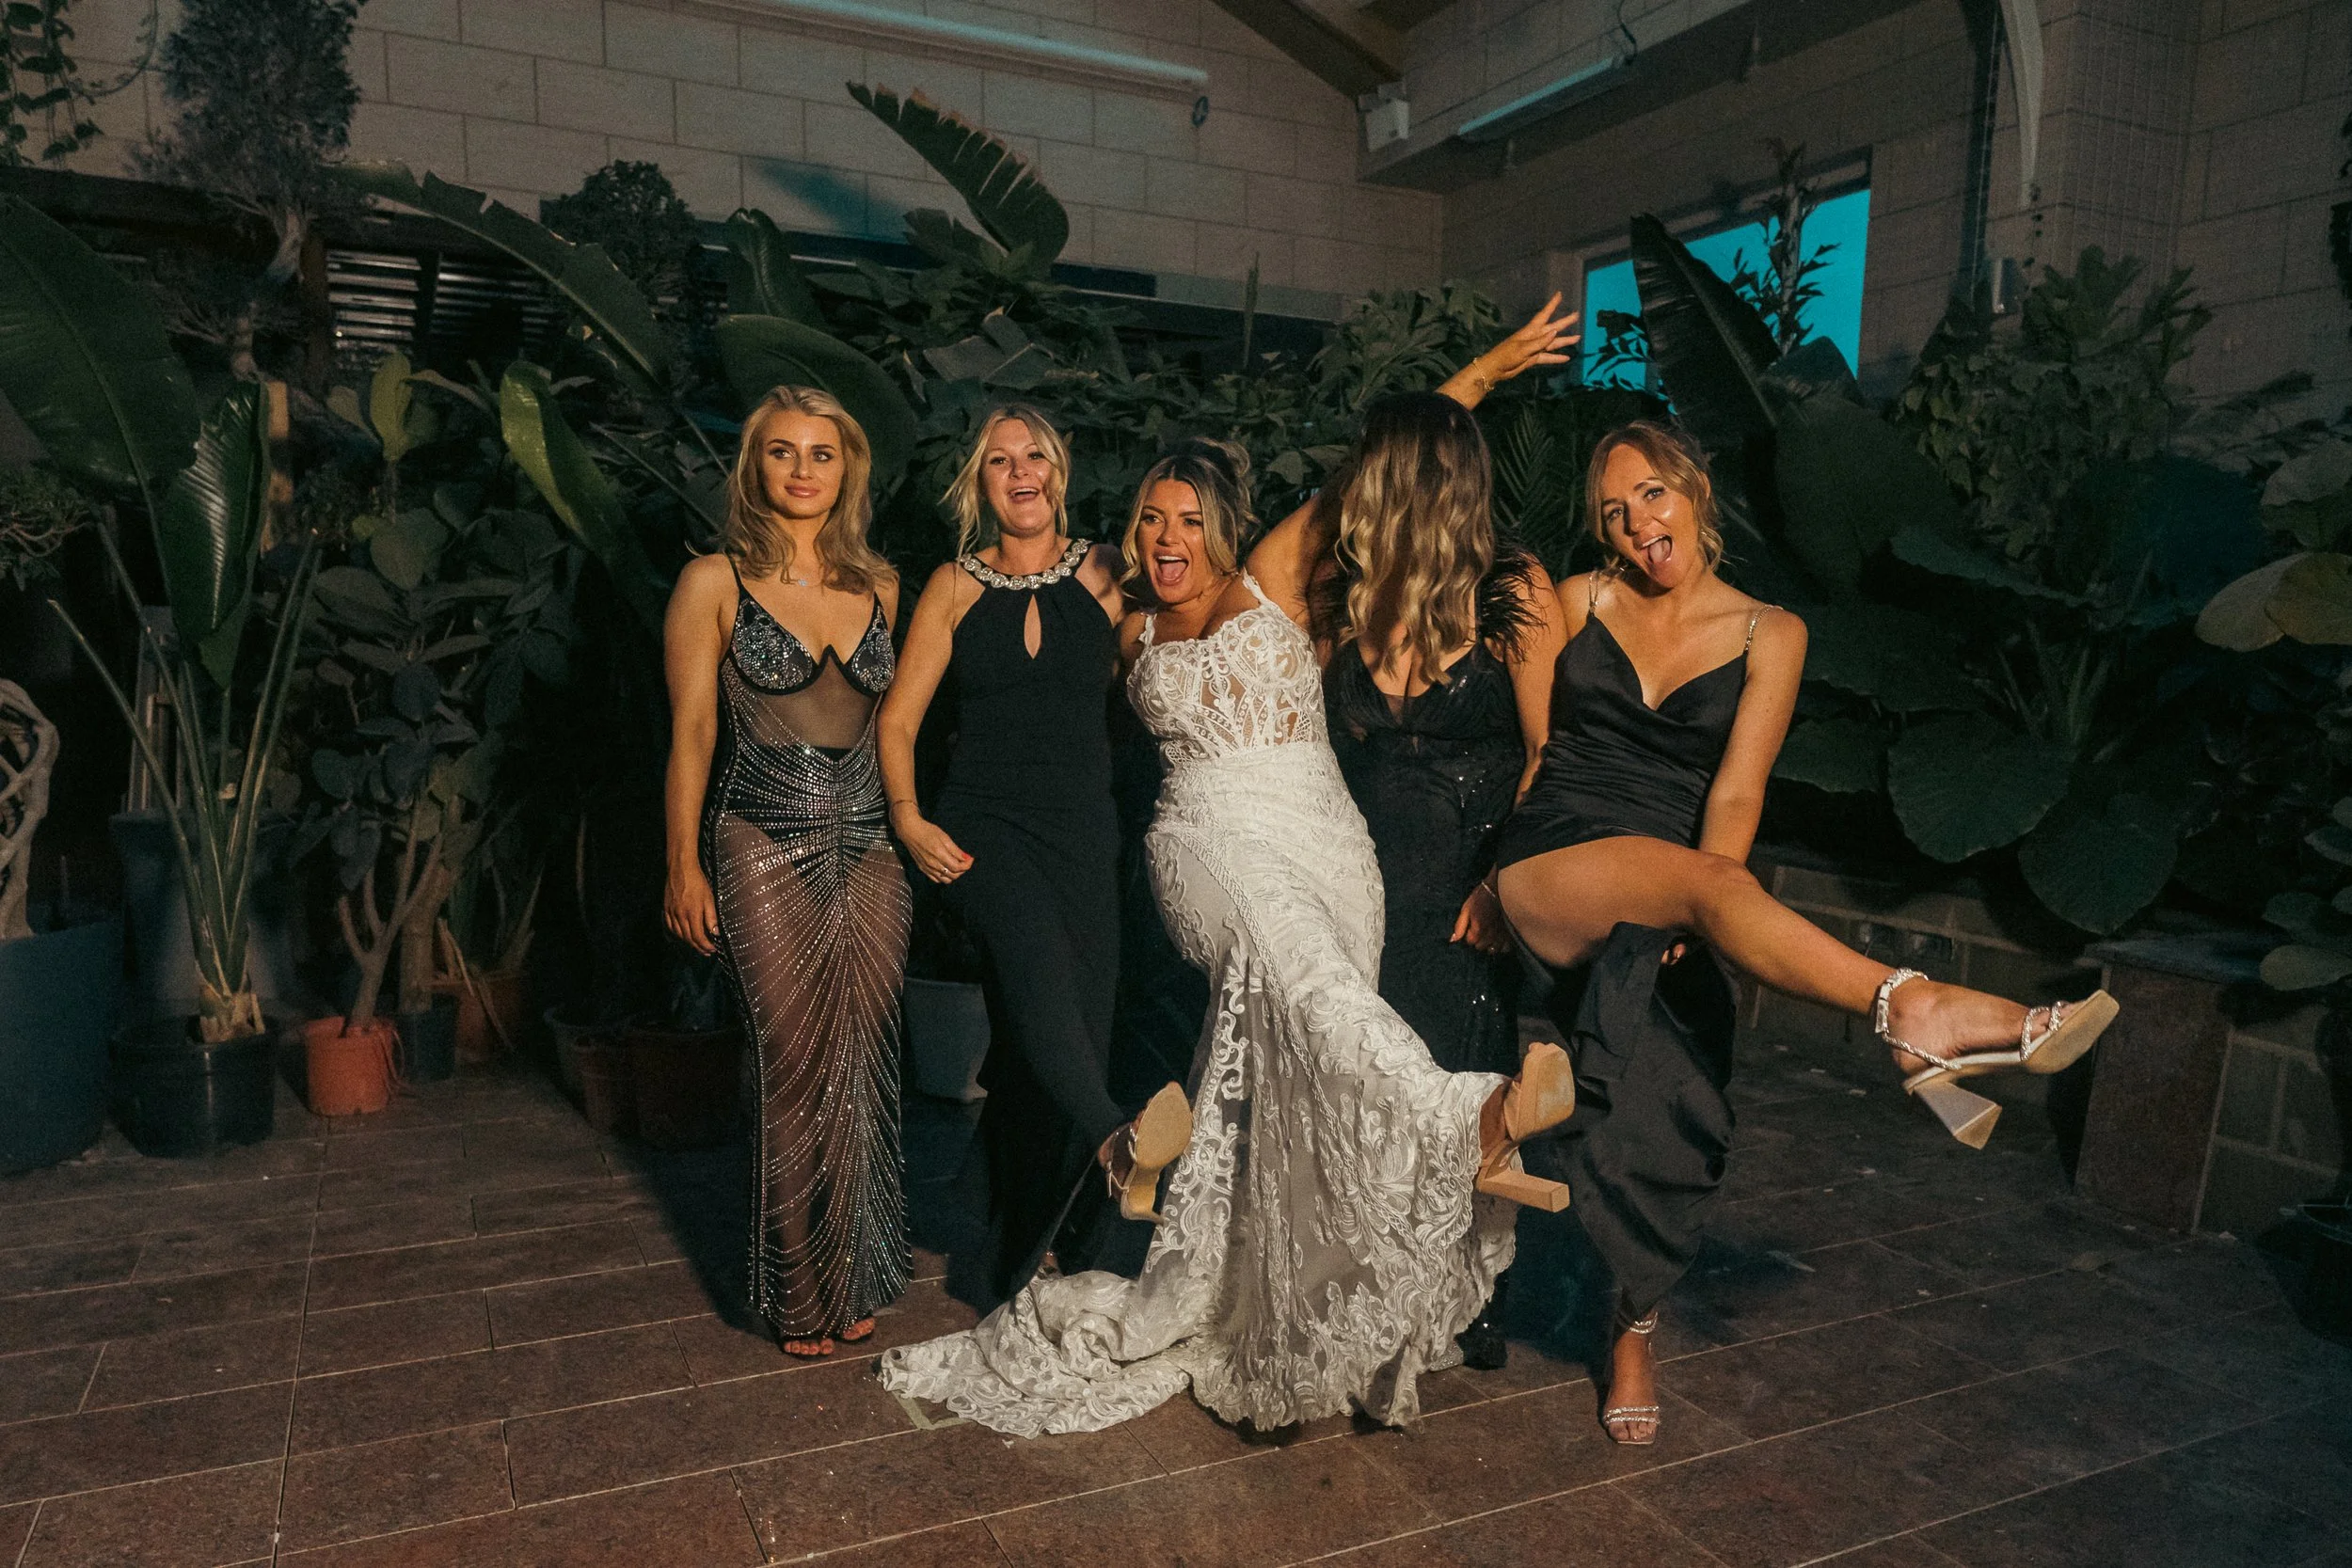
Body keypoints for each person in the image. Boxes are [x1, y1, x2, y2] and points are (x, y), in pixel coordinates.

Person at [879, 437, 1580, 1437]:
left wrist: (1480, 389)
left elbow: (1369, 487)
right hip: (1204, 840)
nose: (1168, 537)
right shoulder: (1120, 618)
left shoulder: (1276, 582)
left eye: (1189, 519)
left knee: (1304, 1043)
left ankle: (1283, 1311)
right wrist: (955, 810)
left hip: (1325, 835)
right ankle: (1465, 1116)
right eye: (1152, 520)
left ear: (1224, 526)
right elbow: (1039, 711)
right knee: (1298, 973)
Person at [1490, 418, 2120, 1444]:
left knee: (1669, 1116)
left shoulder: (1769, 633)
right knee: (1675, 920)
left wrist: (1709, 899)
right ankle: (1915, 1006)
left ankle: (1630, 1326)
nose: (1638, 521)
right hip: (1556, 854)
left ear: (1693, 489)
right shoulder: (1576, 601)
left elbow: (1733, 793)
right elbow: (1534, 746)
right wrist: (1490, 868)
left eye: (1652, 492)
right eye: (1613, 510)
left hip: (1682, 881)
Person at [1286, 303, 1580, 1367]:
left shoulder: (1516, 587)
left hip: (1467, 887)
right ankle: (1371, 1287)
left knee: (1456, 1083)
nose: (1358, 485)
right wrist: (1480, 371)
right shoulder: (1343, 590)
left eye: (1382, 467)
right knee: (1365, 1093)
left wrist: (1505, 881)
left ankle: (1461, 1292)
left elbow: (1550, 751)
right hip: (1358, 882)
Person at [877, 404, 1189, 1314]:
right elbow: (898, 720)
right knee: (1034, 963)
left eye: (1037, 457)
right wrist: (908, 816)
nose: (1021, 472)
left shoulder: (1109, 574)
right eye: (1001, 460)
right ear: (980, 483)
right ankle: (1115, 1138)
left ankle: (1015, 1251)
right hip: (979, 834)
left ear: (1061, 472)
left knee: (1053, 1041)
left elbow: (1179, 650)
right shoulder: (951, 586)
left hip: (1085, 837)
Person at [662, 386, 911, 1359]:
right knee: (793, 1059)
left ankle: (856, 1269)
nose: (802, 470)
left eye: (821, 453)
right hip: (758, 836)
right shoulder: (711, 581)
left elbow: (896, 727)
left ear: (845, 469)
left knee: (863, 1056)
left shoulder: (882, 583)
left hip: (870, 845)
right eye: (781, 452)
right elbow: (690, 732)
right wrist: (680, 862)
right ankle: (797, 1288)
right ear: (753, 467)